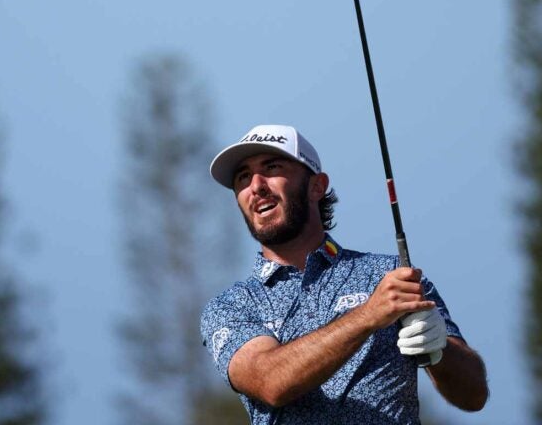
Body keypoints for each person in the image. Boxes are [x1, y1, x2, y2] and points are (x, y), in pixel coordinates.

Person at [200, 124, 488, 424]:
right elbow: (270, 382)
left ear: (316, 186)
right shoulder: (231, 306)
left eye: (272, 168)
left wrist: (441, 351)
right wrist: (369, 316)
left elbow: (473, 396)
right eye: (243, 177)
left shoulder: (390, 275)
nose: (256, 185)